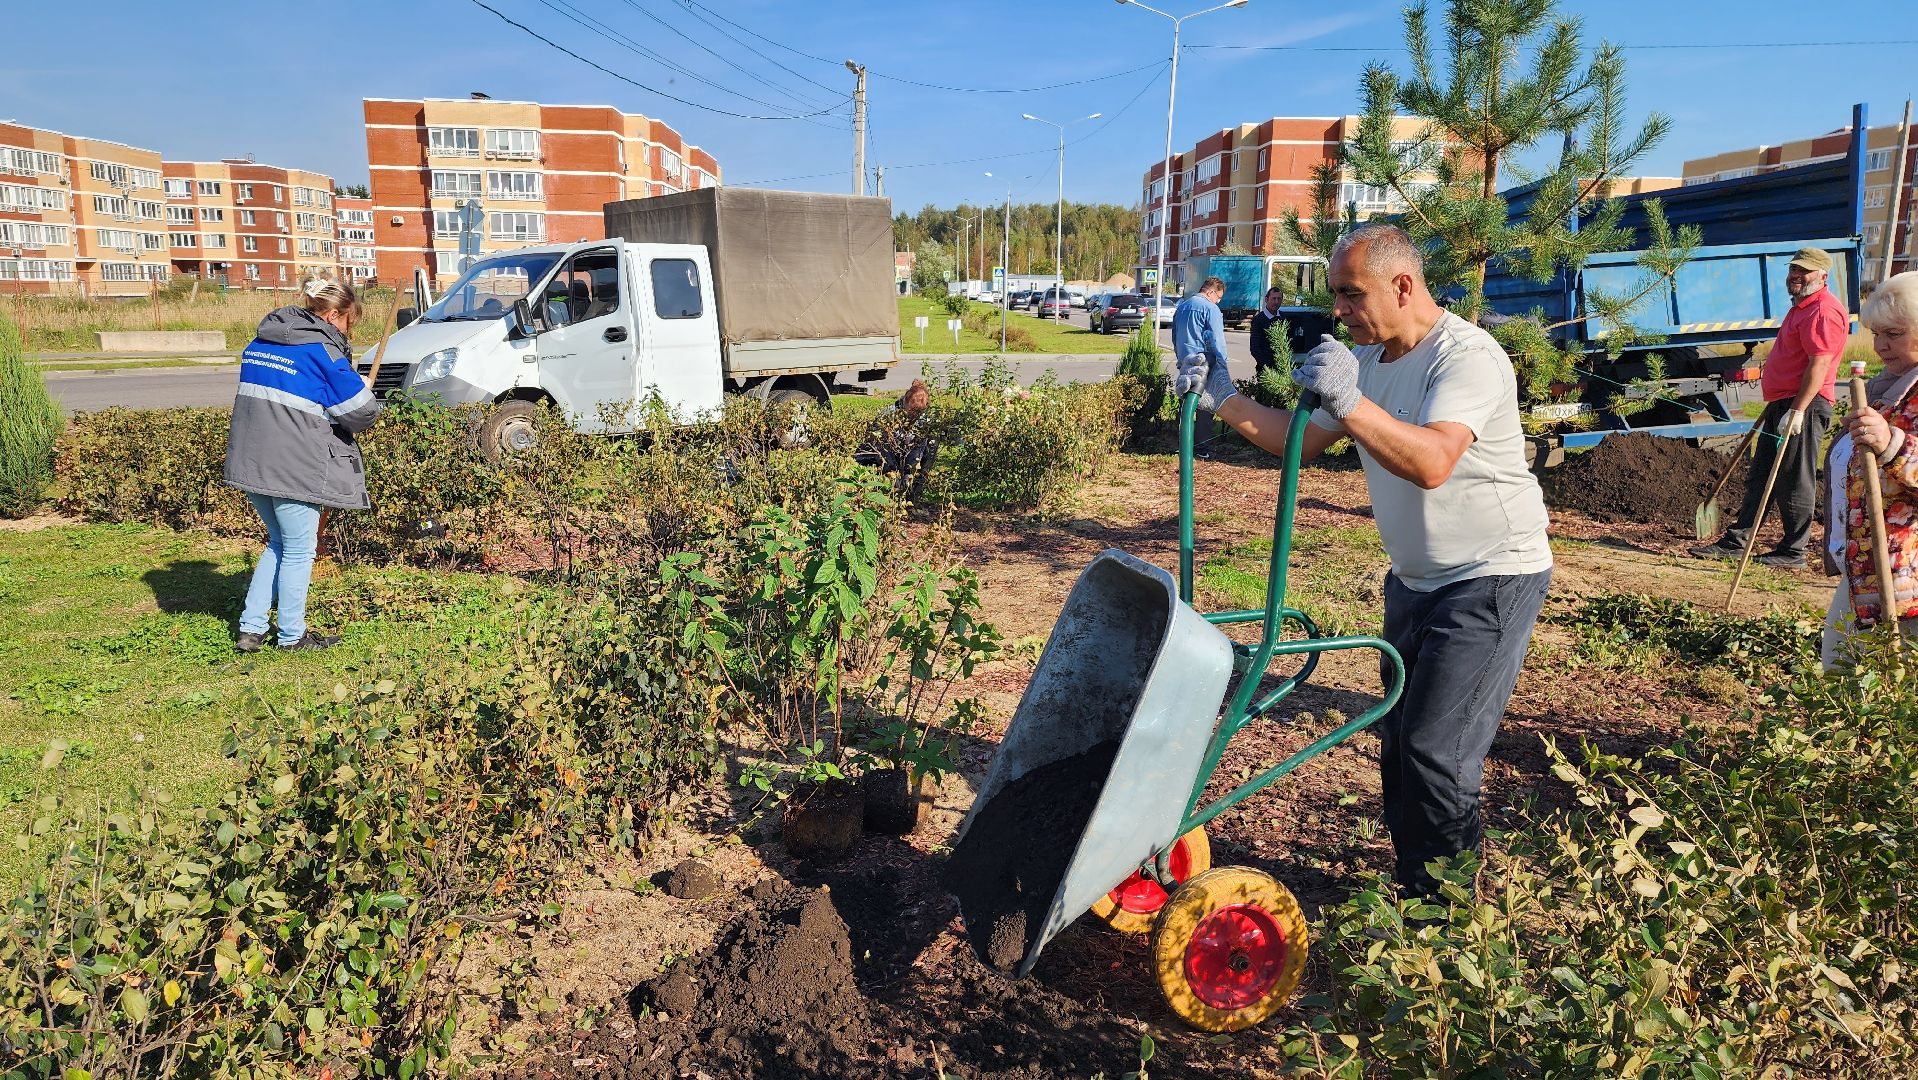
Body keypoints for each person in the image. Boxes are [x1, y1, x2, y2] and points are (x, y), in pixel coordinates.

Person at [1176, 223, 1553, 897]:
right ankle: (1417, 889)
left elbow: (1433, 461)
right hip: (1414, 580)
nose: (1339, 309)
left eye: (1352, 294)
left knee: (1437, 751)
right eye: (1337, 295)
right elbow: (1298, 442)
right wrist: (1223, 396)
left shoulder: (1466, 356)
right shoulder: (1370, 359)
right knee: (1399, 742)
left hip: (1491, 576)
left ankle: (1449, 918)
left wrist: (1350, 403)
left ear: (1402, 285)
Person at [224, 275, 383, 652]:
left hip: (252, 460)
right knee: (299, 550)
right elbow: (361, 413)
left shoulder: (259, 342)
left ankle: (251, 629)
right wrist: (362, 388)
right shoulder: (321, 351)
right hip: (294, 465)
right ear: (333, 314)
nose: (348, 331)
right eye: (350, 321)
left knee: (279, 543)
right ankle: (292, 636)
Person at [1691, 247, 1847, 569]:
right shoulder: (1801, 307)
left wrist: (1798, 410)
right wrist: (1780, 402)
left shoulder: (1822, 310)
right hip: (1783, 402)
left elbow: (1819, 364)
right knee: (1762, 473)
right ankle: (1738, 541)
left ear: (1823, 276)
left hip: (1805, 404)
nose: (1796, 275)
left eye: (1804, 271)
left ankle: (1793, 552)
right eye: (1793, 269)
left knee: (1794, 478)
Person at [1820, 271, 1918, 666]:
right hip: (1869, 570)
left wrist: (1892, 444)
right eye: (1876, 334)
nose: (1880, 346)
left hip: (1910, 580)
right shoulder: (1887, 391)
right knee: (1839, 671)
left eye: (1893, 333)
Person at [1174, 276, 1230, 455]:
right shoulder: (1210, 308)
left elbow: (1175, 336)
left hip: (1185, 362)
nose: (1218, 301)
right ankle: (1202, 448)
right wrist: (1222, 363)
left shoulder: (1182, 306)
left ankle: (1184, 446)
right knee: (1205, 406)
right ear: (1211, 292)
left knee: (1186, 405)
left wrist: (1180, 358)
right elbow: (1216, 340)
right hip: (1205, 363)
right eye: (1218, 297)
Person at [1248, 286, 1286, 379]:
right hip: (1266, 372)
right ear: (1266, 299)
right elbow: (1255, 348)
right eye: (1273, 298)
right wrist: (1267, 368)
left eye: (1279, 299)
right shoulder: (1258, 320)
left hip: (1283, 369)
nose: (1276, 302)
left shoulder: (1284, 318)